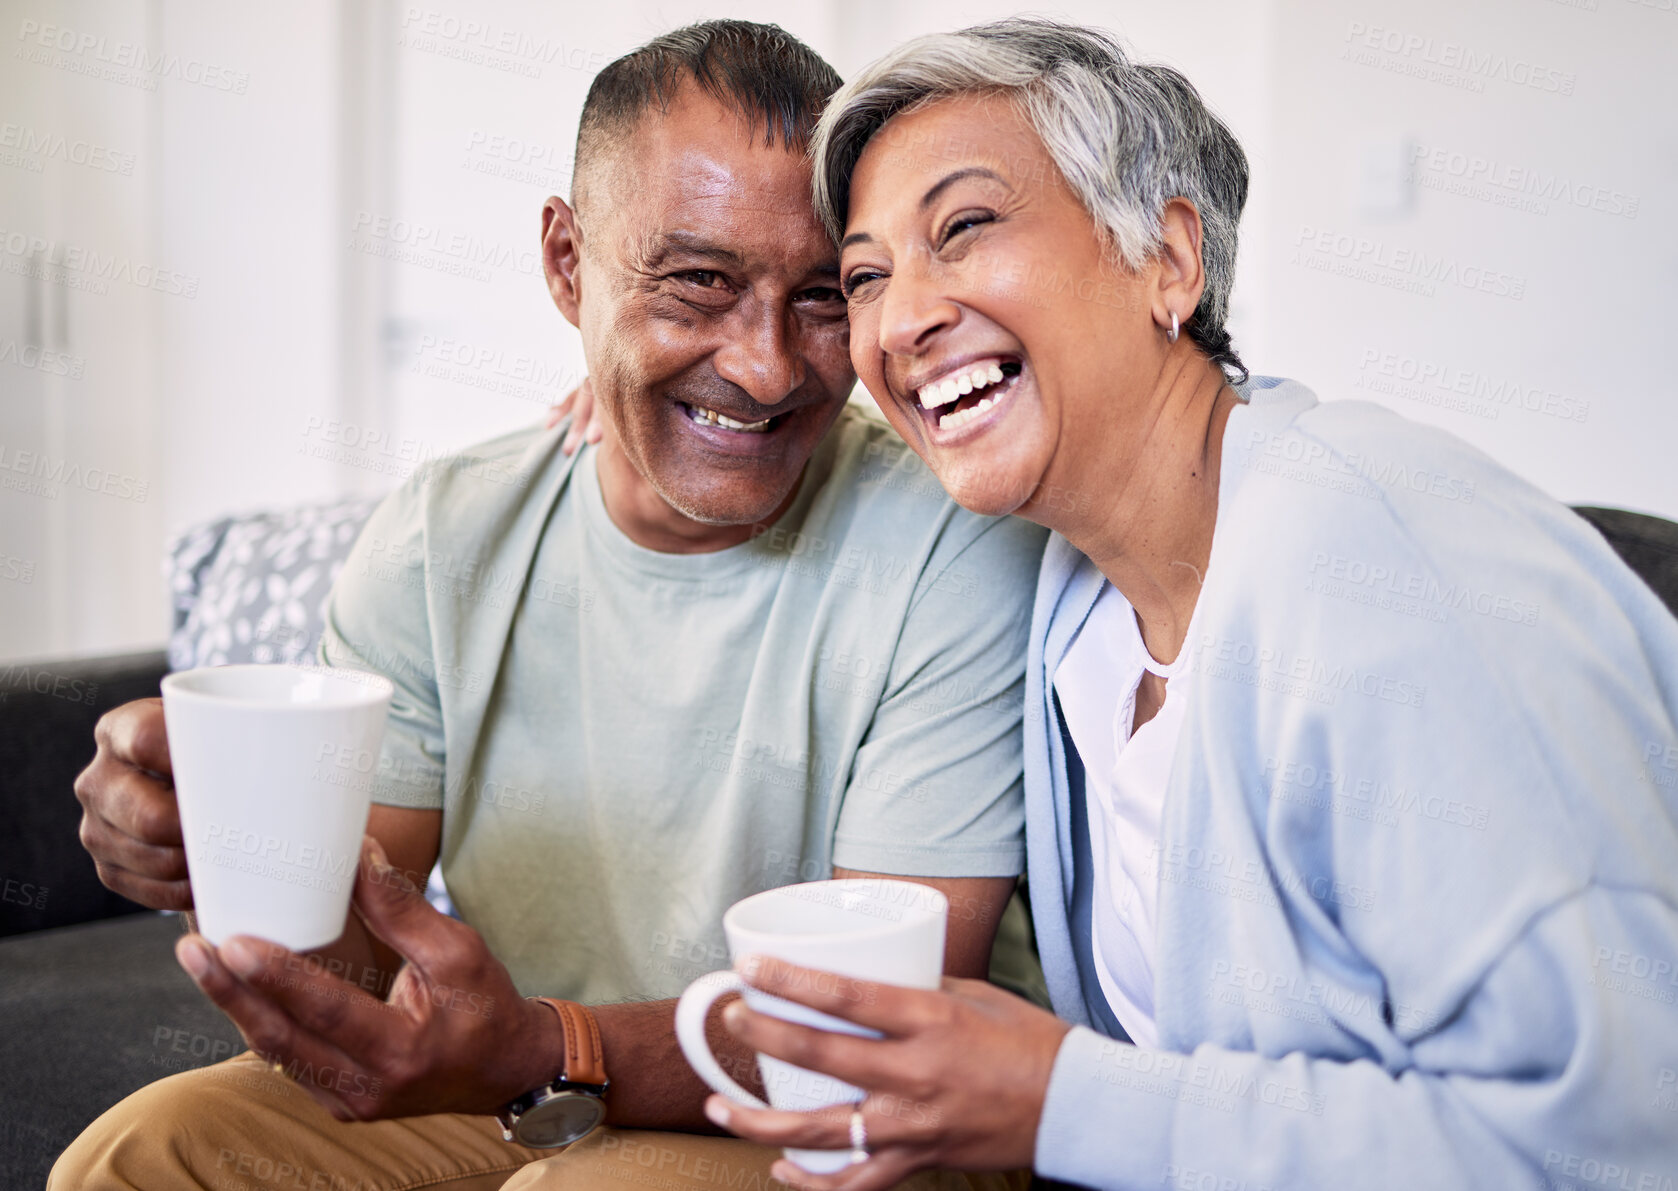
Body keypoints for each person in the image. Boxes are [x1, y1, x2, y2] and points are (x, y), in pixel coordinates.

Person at [52, 21, 1046, 1191]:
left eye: (824, 298)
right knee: (145, 1154)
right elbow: (355, 987)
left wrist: (548, 1048)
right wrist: (229, 856)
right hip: (525, 1100)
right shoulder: (444, 536)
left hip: (844, 1128)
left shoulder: (950, 538)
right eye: (697, 283)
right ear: (568, 263)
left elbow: (869, 1029)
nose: (769, 367)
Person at [704, 18, 1678, 1191]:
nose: (901, 322)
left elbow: (1619, 1138)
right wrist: (643, 370)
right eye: (864, 278)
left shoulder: (1381, 564)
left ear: (1169, 259)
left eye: (962, 229)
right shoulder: (1076, 596)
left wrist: (1066, 1100)